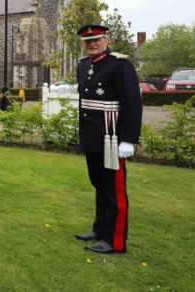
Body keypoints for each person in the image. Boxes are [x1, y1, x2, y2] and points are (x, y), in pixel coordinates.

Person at [74, 24, 142, 254]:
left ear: (106, 40)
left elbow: (132, 102)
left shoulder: (120, 64)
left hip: (112, 138)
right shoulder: (83, 66)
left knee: (114, 190)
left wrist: (129, 139)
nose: (92, 44)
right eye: (87, 41)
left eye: (97, 40)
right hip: (92, 137)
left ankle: (114, 240)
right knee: (99, 185)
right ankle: (100, 229)